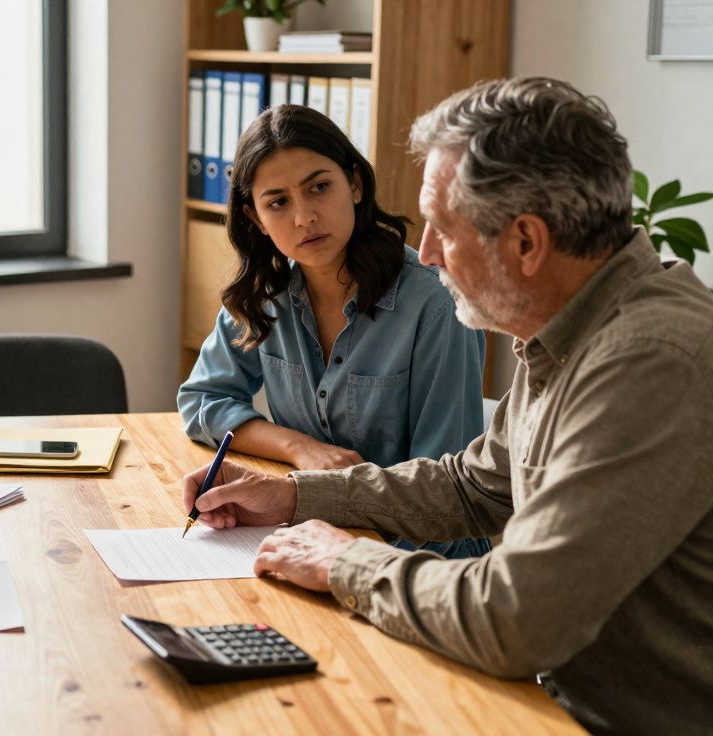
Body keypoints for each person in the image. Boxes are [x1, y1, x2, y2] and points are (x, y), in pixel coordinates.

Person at [179, 77, 713, 735]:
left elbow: (518, 617)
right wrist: (290, 495)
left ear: (524, 241)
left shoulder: (648, 359)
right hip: (546, 698)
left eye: (443, 227)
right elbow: (469, 485)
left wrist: (344, 561)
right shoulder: (574, 334)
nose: (426, 252)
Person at [177, 104, 489, 559]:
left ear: (355, 185)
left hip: (420, 560)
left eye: (319, 187)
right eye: (278, 202)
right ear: (255, 219)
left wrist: (339, 549)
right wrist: (302, 449)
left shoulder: (435, 303)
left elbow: (446, 491)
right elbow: (202, 399)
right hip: (311, 539)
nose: (304, 217)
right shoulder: (266, 293)